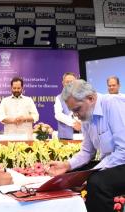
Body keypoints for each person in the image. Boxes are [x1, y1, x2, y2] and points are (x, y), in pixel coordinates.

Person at [48, 79, 125, 212]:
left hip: (122, 158)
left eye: (77, 109)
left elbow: (123, 151)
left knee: (98, 182)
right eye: (73, 112)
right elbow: (87, 152)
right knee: (70, 176)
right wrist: (67, 165)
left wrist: (92, 173)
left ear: (91, 98)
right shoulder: (86, 115)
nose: (76, 115)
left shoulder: (113, 104)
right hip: (113, 162)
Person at [54, 72, 81, 139]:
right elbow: (58, 115)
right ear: (63, 83)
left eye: (71, 82)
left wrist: (81, 124)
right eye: (67, 82)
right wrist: (74, 123)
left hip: (82, 134)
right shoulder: (59, 98)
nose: (69, 84)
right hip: (65, 136)